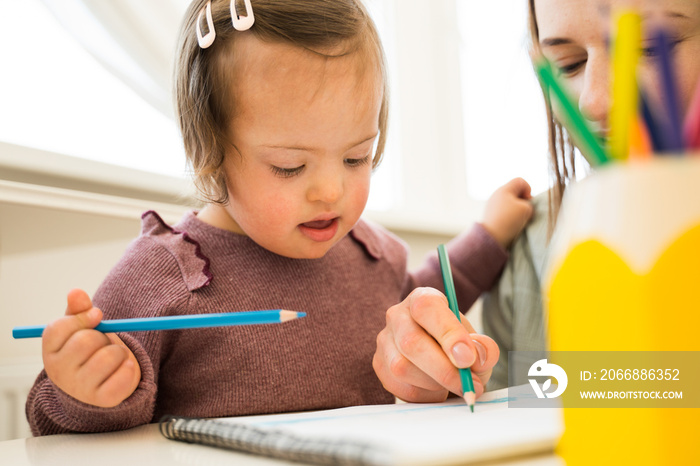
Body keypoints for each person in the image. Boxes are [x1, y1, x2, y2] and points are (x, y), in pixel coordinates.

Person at [26, 0, 533, 436]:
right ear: (210, 152)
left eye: (357, 157)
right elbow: (48, 422)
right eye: (290, 166)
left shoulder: (371, 253)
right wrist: (85, 391)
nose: (331, 191)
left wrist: (489, 235)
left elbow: (424, 307)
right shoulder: (165, 273)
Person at [481, 0, 700, 388]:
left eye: (646, 48)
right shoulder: (525, 244)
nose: (595, 102)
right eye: (568, 64)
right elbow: (525, 408)